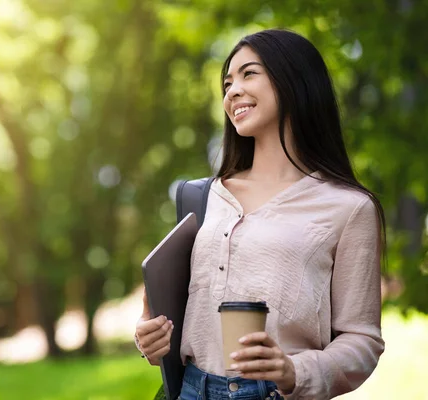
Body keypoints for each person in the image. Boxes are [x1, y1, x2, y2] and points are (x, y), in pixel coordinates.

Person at [134, 29, 386, 400]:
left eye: (249, 74)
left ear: (295, 82)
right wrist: (148, 334)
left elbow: (362, 341)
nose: (232, 91)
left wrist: (292, 371)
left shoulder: (348, 207)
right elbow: (181, 315)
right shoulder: (205, 197)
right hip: (191, 389)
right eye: (227, 82)